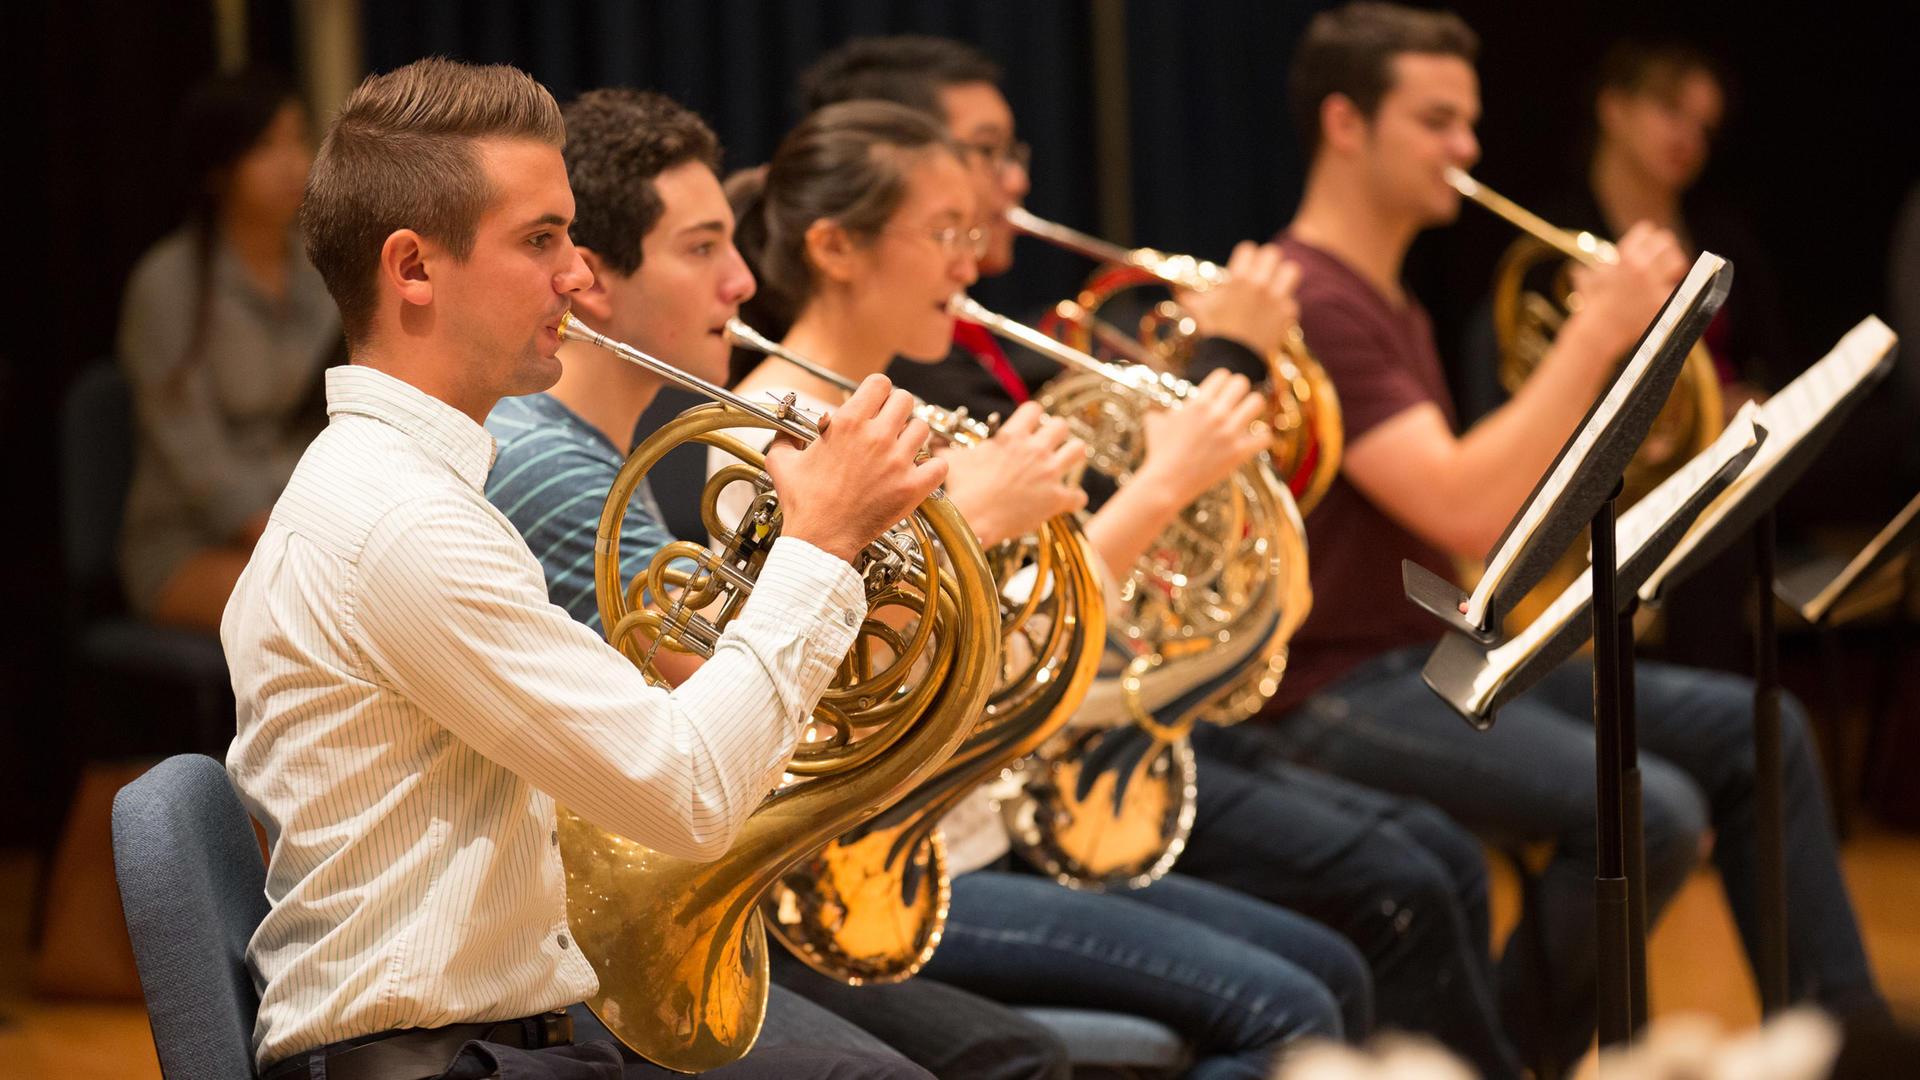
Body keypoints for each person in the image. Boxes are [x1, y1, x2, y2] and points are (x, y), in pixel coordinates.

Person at [799, 35, 1523, 1078]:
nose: (1004, 199)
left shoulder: (944, 374)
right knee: (1341, 959)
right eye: (956, 201)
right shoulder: (856, 418)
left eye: (997, 173)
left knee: (1392, 905)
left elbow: (1083, 583)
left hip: (1080, 752)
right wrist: (1204, 400)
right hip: (981, 810)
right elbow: (1001, 638)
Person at [224, 57, 944, 1080]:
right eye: (541, 240)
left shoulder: (407, 491)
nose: (576, 275)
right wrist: (819, 543)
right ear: (414, 270)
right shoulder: (400, 522)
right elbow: (689, 792)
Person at [1199, 4, 1883, 1072]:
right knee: (1650, 814)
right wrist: (1599, 333)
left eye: (1469, 123)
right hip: (1327, 691)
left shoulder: (1387, 299)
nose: (1468, 151)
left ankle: (1851, 1040)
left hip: (1422, 662)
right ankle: (1488, 1063)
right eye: (1436, 122)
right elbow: (1464, 506)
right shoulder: (1309, 299)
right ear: (1345, 124)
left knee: (1765, 730)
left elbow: (1472, 526)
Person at [718, 98, 1373, 1080]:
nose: (969, 258)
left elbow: (1034, 650)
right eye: (942, 231)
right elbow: (859, 690)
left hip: (993, 823)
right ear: (836, 248)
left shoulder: (911, 408)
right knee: (1294, 1013)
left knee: (1330, 969)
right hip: (884, 862)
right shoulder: (761, 438)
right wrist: (1152, 490)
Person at [483, 86, 1075, 1080]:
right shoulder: (545, 462)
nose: (742, 283)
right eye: (701, 248)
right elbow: (744, 721)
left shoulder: (588, 454)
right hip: (584, 932)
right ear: (590, 281)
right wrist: (938, 530)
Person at [118, 69, 337, 632]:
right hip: (190, 542)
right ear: (220, 166)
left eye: (298, 139)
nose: (294, 163)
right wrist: (294, 537)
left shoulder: (317, 272)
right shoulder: (168, 284)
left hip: (303, 524)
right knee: (326, 614)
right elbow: (195, 457)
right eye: (267, 146)